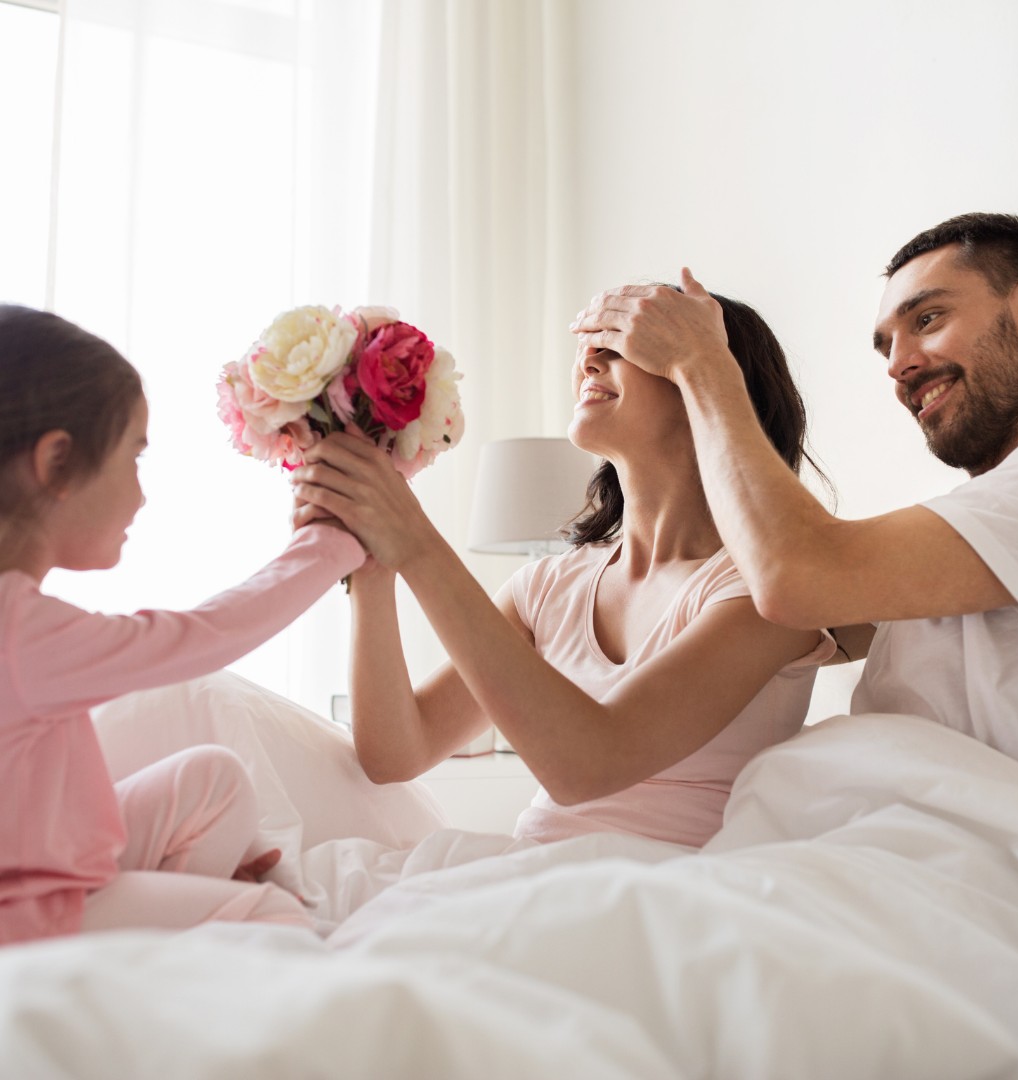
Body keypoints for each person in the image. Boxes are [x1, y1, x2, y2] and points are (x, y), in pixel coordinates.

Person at [291, 286, 835, 853]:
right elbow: (396, 755)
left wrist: (417, 544)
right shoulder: (549, 588)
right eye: (591, 344)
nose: (590, 361)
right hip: (535, 874)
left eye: (622, 343)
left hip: (667, 901)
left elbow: (588, 764)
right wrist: (373, 569)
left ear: (710, 383)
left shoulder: (769, 592)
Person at [570, 212, 1018, 793]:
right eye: (886, 345)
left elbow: (796, 575)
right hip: (835, 841)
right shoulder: (977, 528)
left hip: (932, 858)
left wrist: (700, 363)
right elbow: (790, 599)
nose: (897, 364)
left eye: (928, 318)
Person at [0, 305, 366, 946]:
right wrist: (331, 543)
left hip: (44, 870)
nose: (140, 495)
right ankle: (148, 959)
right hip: (25, 917)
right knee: (275, 919)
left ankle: (153, 935)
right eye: (134, 457)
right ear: (57, 461)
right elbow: (202, 635)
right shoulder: (15, 630)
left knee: (213, 780)